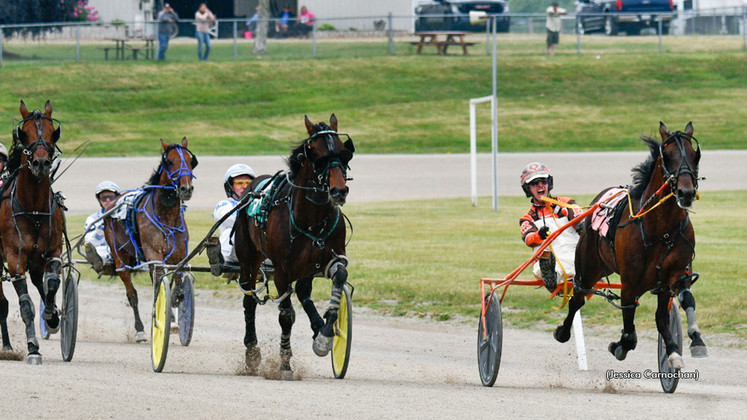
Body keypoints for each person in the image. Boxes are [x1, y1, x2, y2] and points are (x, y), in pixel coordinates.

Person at [519, 162, 580, 292]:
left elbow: (581, 221)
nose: (540, 186)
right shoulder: (527, 218)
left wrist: (581, 224)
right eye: (535, 183)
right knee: (545, 263)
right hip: (549, 256)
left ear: (549, 183)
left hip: (574, 251)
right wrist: (539, 235)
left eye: (544, 181)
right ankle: (551, 275)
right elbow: (529, 240)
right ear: (528, 188)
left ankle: (564, 274)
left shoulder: (566, 203)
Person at [209, 164, 256, 270]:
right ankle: (219, 258)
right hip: (233, 254)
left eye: (248, 183)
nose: (245, 186)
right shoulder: (225, 205)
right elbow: (229, 219)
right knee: (234, 231)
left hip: (260, 251)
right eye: (240, 183)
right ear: (230, 186)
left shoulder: (259, 204)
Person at [84, 181, 121, 275]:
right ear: (99, 200)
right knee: (99, 251)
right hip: (103, 250)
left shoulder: (123, 215)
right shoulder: (92, 219)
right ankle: (98, 262)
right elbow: (89, 240)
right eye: (104, 198)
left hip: (122, 250)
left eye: (111, 197)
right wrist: (98, 233)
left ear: (117, 198)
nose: (108, 200)